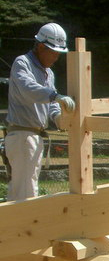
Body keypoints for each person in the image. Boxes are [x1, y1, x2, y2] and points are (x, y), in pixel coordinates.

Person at [4, 23, 75, 201]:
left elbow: (51, 103)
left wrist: (58, 117)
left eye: (59, 52)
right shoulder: (22, 63)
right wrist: (55, 96)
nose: (56, 57)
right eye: (54, 51)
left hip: (32, 136)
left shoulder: (48, 73)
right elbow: (28, 89)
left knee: (22, 188)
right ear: (41, 46)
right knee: (26, 192)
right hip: (22, 135)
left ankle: (14, 227)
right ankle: (24, 227)